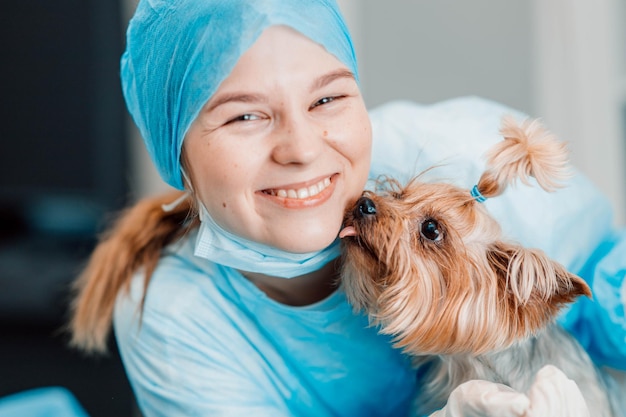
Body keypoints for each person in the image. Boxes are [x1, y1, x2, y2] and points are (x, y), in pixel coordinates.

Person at [68, 1, 626, 416]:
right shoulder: (176, 319)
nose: (304, 149)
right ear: (177, 149)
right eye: (244, 115)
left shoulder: (453, 151)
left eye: (327, 98)